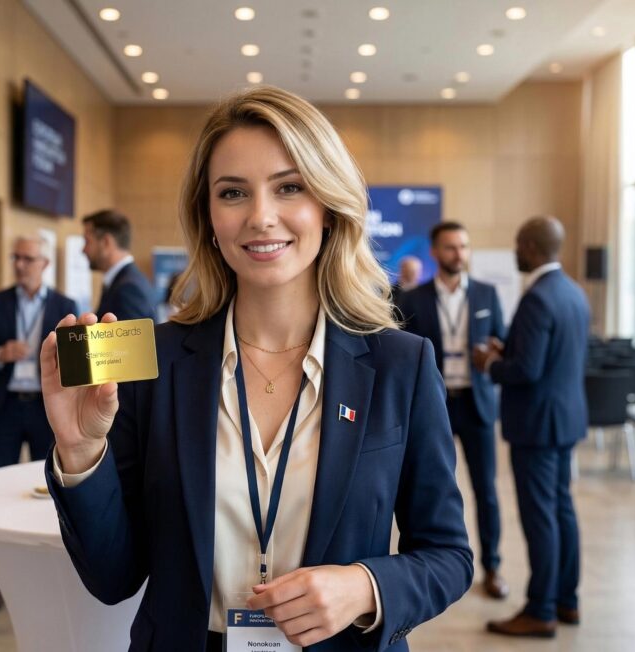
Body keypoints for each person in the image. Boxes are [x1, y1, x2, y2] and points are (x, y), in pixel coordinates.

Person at [40, 86, 472, 650]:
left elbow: (448, 554)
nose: (261, 217)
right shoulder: (153, 361)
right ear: (209, 217)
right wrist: (79, 451)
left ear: (328, 207)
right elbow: (113, 577)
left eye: (289, 187)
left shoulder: (401, 365)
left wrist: (365, 587)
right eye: (233, 192)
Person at [473, 216, 589, 638]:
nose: (514, 251)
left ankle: (540, 610)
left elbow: (527, 370)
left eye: (518, 244)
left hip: (537, 425)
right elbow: (550, 357)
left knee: (540, 517)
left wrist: (491, 363)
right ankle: (566, 600)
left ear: (530, 247)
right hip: (565, 419)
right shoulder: (573, 292)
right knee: (561, 510)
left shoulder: (537, 298)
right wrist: (510, 351)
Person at [400, 221, 509, 600]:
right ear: (434, 252)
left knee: (486, 491)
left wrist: (497, 351)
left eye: (463, 246)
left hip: (477, 405)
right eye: (450, 247)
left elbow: (501, 340)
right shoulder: (413, 299)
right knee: (428, 489)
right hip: (435, 407)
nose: (458, 253)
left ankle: (493, 567)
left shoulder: (487, 294)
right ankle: (422, 564)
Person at [0, 235, 77, 614]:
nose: (19, 265)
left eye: (27, 258)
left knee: (51, 494)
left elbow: (76, 359)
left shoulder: (65, 306)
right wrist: (0, 354)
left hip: (45, 410)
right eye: (15, 257)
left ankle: (47, 579)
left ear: (44, 264)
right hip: (3, 409)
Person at [82, 209, 156, 321]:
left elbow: (132, 333)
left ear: (106, 242)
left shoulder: (128, 289)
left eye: (87, 241)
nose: (83, 250)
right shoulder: (123, 282)